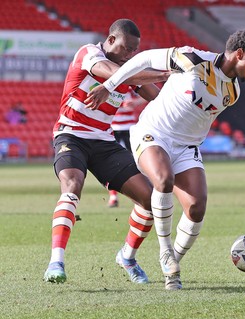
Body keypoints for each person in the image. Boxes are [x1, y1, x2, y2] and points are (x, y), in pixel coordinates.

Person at [86, 29, 245, 290]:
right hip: (153, 133)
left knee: (197, 208)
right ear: (239, 54)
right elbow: (144, 59)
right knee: (163, 179)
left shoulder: (234, 91)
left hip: (186, 147)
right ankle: (165, 252)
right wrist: (108, 85)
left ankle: (172, 269)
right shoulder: (192, 59)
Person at [43, 18, 170, 284]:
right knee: (72, 185)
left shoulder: (128, 68)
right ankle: (56, 261)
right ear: (111, 40)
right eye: (126, 48)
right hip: (71, 135)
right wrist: (163, 72)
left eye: (134, 51)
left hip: (103, 142)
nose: (130, 55)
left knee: (150, 199)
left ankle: (127, 256)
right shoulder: (89, 53)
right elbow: (113, 73)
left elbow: (158, 98)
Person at [107, 87, 147, 208]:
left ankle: (142, 194)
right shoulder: (108, 87)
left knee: (138, 162)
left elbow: (146, 95)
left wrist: (135, 102)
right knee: (110, 164)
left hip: (129, 129)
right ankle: (113, 196)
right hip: (112, 129)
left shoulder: (129, 87)